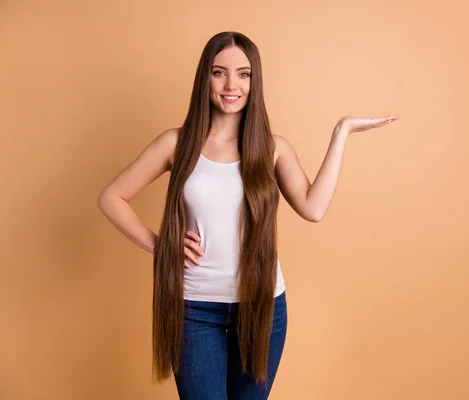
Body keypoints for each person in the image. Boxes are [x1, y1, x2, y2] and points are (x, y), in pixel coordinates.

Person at [97, 31, 397, 400]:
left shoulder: (272, 148)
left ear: (255, 82)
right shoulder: (177, 144)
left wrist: (342, 132)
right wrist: (162, 246)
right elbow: (112, 197)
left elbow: (313, 208)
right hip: (194, 310)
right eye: (219, 72)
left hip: (262, 309)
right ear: (204, 78)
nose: (231, 84)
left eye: (243, 73)